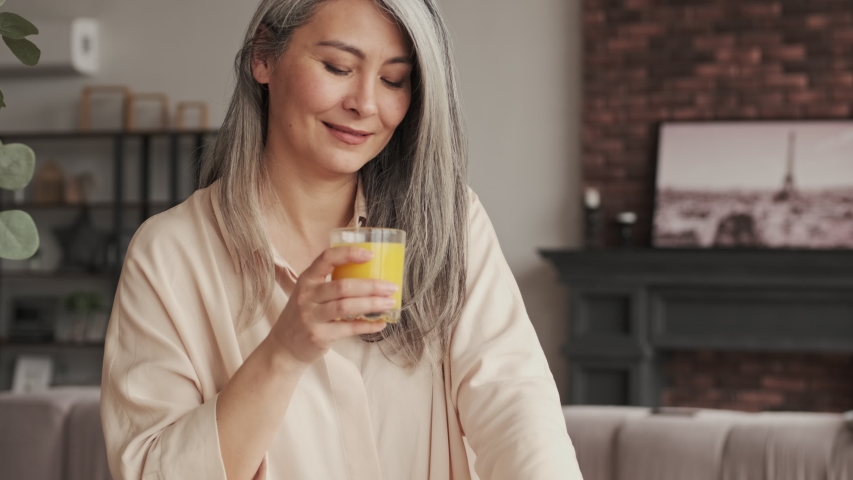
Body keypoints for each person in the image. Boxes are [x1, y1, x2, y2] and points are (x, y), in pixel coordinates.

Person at [100, 0, 583, 478]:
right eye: (338, 67)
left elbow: (514, 404)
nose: (365, 104)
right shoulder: (169, 254)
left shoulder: (451, 223)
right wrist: (284, 352)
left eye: (393, 79)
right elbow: (152, 472)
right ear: (264, 55)